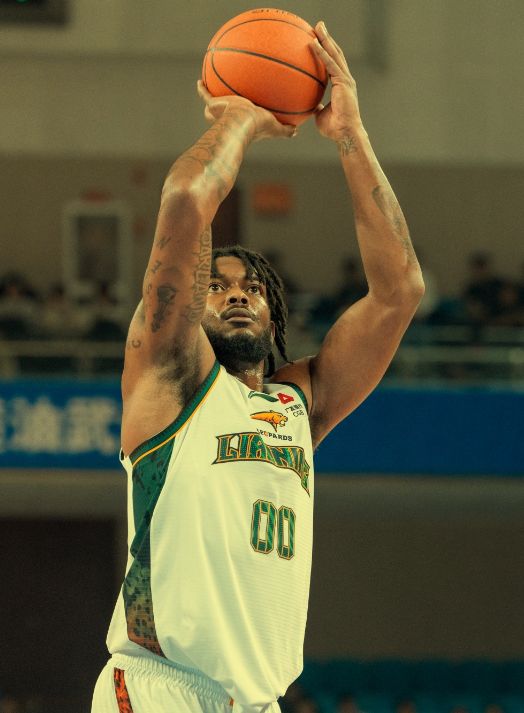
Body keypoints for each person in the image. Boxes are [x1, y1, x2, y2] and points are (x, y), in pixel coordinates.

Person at [91, 21, 424, 713]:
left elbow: (400, 292)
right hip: (160, 687)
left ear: (274, 315)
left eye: (253, 288)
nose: (237, 293)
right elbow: (187, 202)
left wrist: (349, 134)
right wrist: (240, 119)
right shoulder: (170, 378)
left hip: (258, 700)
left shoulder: (301, 402)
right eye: (217, 285)